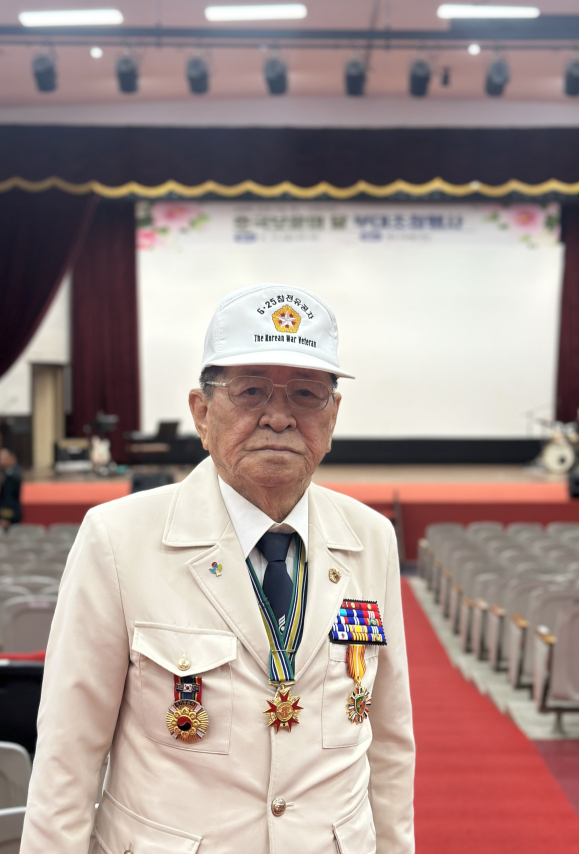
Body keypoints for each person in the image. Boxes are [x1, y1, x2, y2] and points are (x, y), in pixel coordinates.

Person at [21, 283, 415, 854]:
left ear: (333, 417)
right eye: (251, 391)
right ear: (202, 414)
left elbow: (390, 741)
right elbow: (67, 755)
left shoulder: (371, 538)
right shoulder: (119, 539)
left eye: (307, 394)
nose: (279, 418)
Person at [0, 447, 22, 529]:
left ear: (10, 457)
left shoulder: (12, 474)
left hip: (9, 514)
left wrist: (5, 517)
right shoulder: (7, 471)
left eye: (2, 458)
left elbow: (9, 497)